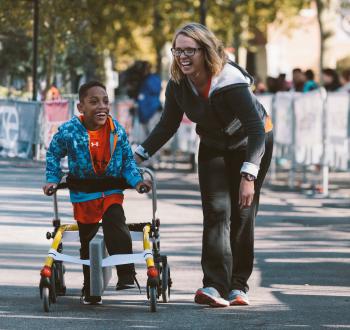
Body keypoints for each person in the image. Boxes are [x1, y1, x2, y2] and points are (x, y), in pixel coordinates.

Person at [134, 23, 273, 307]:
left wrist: (249, 174)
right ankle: (213, 286)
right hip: (213, 144)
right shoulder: (177, 83)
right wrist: (136, 155)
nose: (182, 56)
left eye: (189, 50)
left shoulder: (229, 79)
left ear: (205, 50)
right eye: (178, 50)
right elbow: (167, 125)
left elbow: (256, 128)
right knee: (215, 212)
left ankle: (238, 286)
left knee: (242, 214)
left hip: (251, 143)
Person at [43, 81, 151, 305]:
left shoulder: (116, 130)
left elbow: (128, 163)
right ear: (81, 107)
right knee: (88, 242)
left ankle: (126, 274)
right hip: (84, 193)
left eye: (105, 101)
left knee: (115, 221)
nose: (102, 106)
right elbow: (53, 153)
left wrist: (138, 182)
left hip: (111, 189)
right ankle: (90, 288)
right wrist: (52, 179)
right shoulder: (69, 131)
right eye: (94, 102)